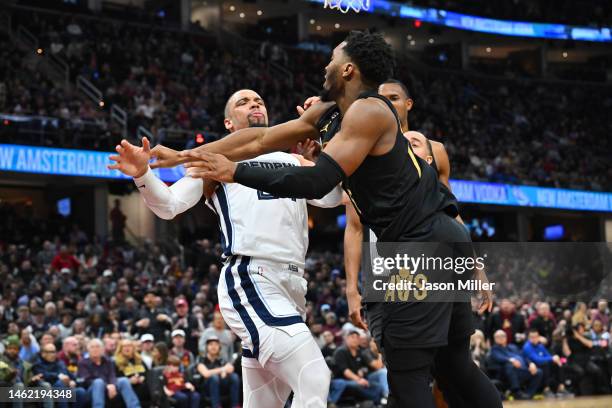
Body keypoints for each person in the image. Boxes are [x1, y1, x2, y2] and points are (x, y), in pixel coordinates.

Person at [165, 31, 501, 408]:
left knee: (408, 375)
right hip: (438, 237)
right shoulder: (329, 111)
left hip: (420, 243)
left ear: (347, 69)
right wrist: (183, 157)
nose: (323, 65)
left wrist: (234, 172)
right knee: (455, 365)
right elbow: (259, 140)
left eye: (330, 59)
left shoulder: (369, 111)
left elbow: (317, 179)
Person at [109, 89, 343, 407]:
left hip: (293, 284)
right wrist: (142, 174)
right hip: (251, 276)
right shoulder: (215, 159)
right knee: (313, 375)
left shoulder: (293, 159)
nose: (254, 104)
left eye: (259, 100)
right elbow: (169, 205)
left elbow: (331, 198)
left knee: (265, 404)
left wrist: (327, 142)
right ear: (228, 122)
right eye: (243, 102)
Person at [76, 338, 141, 407]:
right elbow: (87, 381)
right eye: (92, 347)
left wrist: (112, 385)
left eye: (98, 347)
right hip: (92, 390)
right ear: (88, 350)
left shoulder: (108, 360)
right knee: (98, 382)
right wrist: (107, 385)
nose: (95, 349)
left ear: (102, 349)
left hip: (108, 387)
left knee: (123, 380)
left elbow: (112, 375)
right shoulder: (83, 362)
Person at [328, 330, 385, 405]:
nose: (355, 339)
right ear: (346, 339)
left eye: (357, 337)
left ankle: (380, 403)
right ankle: (330, 404)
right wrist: (359, 379)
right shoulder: (340, 351)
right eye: (352, 337)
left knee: (378, 386)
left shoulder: (360, 352)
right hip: (343, 380)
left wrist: (362, 371)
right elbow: (345, 371)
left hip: (359, 379)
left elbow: (372, 367)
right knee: (357, 385)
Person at [489, 330, 542, 400]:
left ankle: (529, 394)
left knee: (538, 372)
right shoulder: (494, 349)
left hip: (521, 370)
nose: (501, 338)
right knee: (509, 365)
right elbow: (498, 358)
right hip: (506, 374)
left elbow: (523, 356)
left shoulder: (513, 347)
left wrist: (531, 364)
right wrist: (511, 360)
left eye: (503, 336)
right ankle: (516, 391)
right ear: (495, 339)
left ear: (506, 337)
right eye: (498, 336)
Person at [522, 328, 570, 398]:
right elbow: (536, 359)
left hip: (542, 364)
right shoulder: (527, 347)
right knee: (546, 364)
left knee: (558, 363)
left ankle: (561, 388)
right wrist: (551, 358)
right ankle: (546, 389)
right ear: (529, 338)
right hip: (532, 366)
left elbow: (548, 355)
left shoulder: (540, 346)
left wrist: (555, 359)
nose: (534, 339)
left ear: (539, 337)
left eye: (536, 337)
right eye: (532, 337)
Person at [32, 342, 82, 408]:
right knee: (59, 384)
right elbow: (44, 375)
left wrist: (72, 381)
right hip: (49, 390)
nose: (54, 354)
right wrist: (58, 376)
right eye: (51, 352)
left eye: (55, 352)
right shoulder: (38, 364)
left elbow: (70, 375)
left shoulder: (60, 362)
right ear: (43, 353)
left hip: (65, 388)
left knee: (80, 391)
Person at [196, 336, 240, 408]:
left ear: (219, 347)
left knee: (234, 376)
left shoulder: (221, 360)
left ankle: (235, 405)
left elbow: (231, 368)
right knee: (214, 377)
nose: (213, 347)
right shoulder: (201, 359)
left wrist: (223, 371)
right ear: (207, 347)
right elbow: (206, 373)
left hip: (220, 385)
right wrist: (222, 370)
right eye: (211, 344)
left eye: (216, 344)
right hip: (206, 387)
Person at [114, 339, 148, 404]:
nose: (127, 348)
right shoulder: (116, 363)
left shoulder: (139, 360)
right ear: (120, 349)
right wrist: (129, 381)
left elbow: (148, 374)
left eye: (129, 346)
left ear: (133, 348)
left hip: (143, 387)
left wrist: (143, 378)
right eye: (124, 346)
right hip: (128, 389)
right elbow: (115, 379)